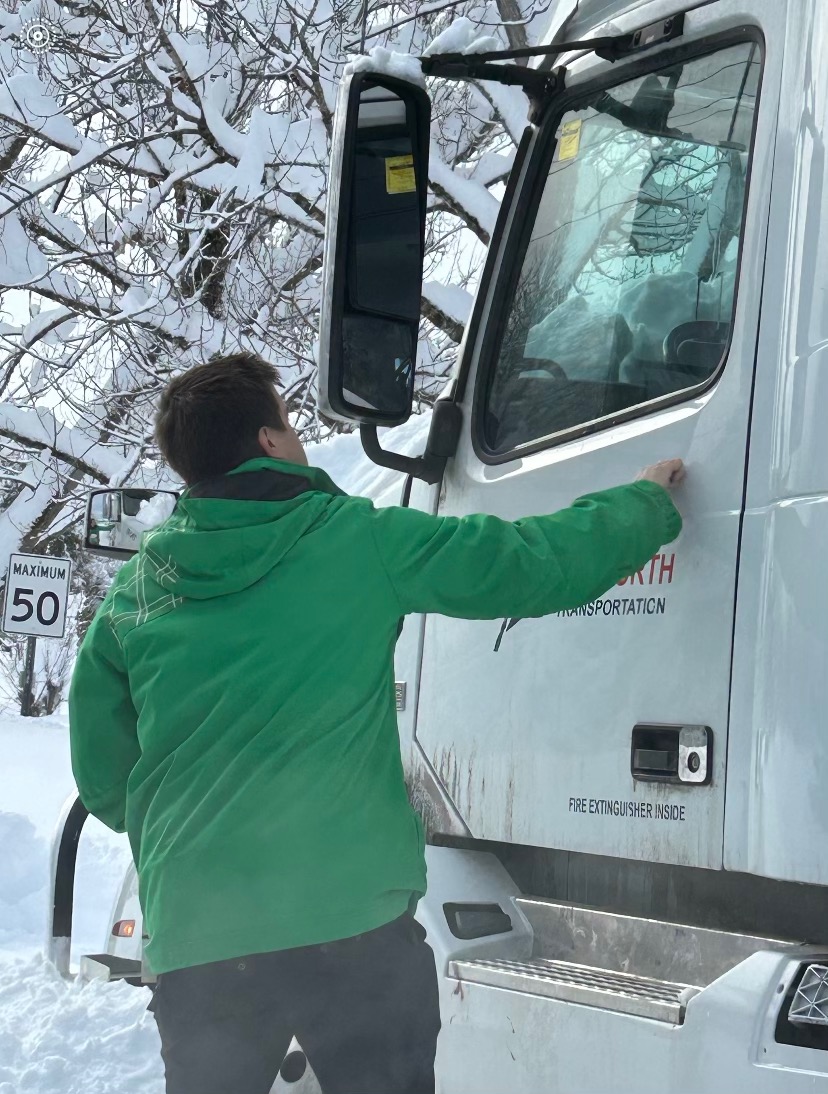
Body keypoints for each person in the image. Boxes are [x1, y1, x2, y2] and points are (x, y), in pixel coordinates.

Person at [68, 352, 685, 1094]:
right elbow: (525, 563)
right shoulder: (353, 539)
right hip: (351, 925)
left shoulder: (135, 595)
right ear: (268, 442)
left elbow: (104, 776)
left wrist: (195, 842)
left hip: (201, 935)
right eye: (290, 425)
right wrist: (644, 506)